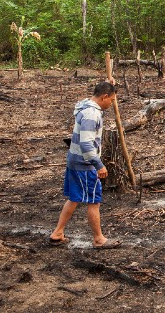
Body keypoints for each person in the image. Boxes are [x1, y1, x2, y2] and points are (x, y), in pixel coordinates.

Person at [49, 82, 121, 249]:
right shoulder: (91, 114)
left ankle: (57, 233)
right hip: (85, 163)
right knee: (94, 201)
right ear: (104, 97)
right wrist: (98, 165)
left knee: (74, 198)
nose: (111, 104)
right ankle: (99, 239)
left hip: (75, 160)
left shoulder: (85, 106)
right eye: (111, 100)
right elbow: (87, 144)